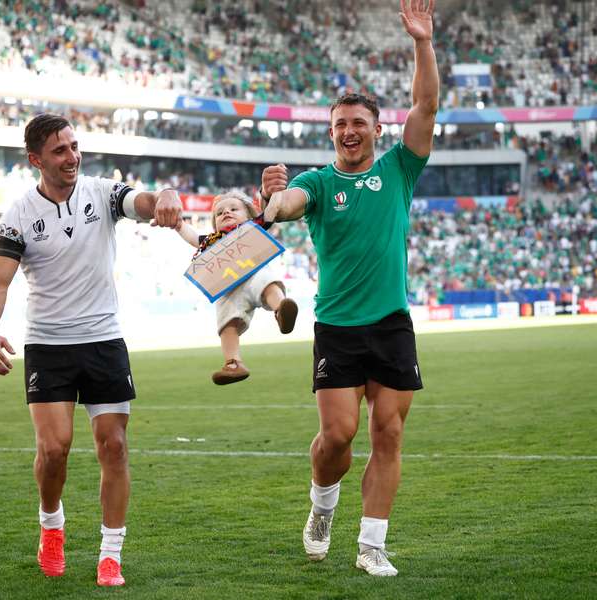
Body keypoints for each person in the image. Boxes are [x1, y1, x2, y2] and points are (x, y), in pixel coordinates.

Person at [261, 0, 439, 577]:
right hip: (337, 326)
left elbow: (426, 104)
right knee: (337, 436)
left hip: (391, 323)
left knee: (388, 432)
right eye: (339, 124)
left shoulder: (399, 169)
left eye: (358, 122)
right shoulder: (318, 180)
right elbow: (290, 204)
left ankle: (371, 545)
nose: (348, 131)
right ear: (331, 132)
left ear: (375, 129)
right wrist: (272, 201)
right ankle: (321, 508)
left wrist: (422, 42)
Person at [0, 113, 182, 587]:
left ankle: (111, 554)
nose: (72, 157)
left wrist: (165, 196)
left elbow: (143, 201)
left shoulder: (102, 193)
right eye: (60, 151)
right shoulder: (19, 215)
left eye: (74, 146)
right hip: (48, 345)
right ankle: (52, 528)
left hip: (104, 341)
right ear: (36, 160)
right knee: (53, 450)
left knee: (113, 446)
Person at [169, 190, 298, 384]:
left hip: (254, 273)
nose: (226, 213)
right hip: (227, 288)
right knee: (226, 323)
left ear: (248, 214)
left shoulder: (253, 226)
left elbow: (271, 211)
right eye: (219, 213)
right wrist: (179, 225)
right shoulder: (213, 240)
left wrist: (275, 194)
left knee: (267, 283)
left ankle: (282, 310)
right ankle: (233, 363)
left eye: (233, 209)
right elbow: (193, 237)